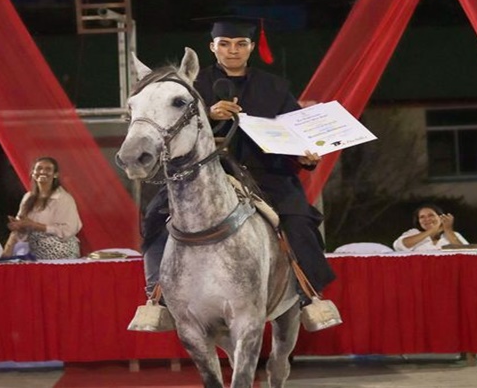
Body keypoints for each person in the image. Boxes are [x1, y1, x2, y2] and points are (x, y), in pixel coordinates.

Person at [142, 17, 336, 314]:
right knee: (157, 217)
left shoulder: (275, 87)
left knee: (299, 222)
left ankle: (309, 295)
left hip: (266, 173)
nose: (233, 50)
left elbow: (296, 132)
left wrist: (304, 155)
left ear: (251, 48)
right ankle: (158, 298)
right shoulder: (191, 86)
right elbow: (171, 128)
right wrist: (208, 114)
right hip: (201, 173)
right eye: (225, 44)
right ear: (212, 47)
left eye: (240, 44)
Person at [3, 156, 82, 260]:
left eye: (48, 169)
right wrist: (19, 226)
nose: (43, 171)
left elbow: (69, 229)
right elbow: (25, 230)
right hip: (36, 252)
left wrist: (34, 225)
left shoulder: (63, 198)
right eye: (39, 168)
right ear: (33, 173)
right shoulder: (28, 197)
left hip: (62, 251)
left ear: (55, 175)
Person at [393, 203, 469, 251]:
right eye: (422, 217)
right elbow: (399, 246)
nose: (427, 219)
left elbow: (466, 252)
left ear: (440, 217)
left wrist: (448, 230)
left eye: (431, 215)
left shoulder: (453, 234)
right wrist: (433, 230)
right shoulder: (413, 232)